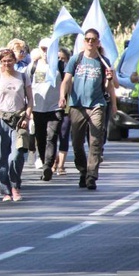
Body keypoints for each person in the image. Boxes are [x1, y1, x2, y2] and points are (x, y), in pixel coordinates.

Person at [58, 29, 117, 191]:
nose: (90, 42)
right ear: (84, 42)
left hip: (97, 105)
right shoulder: (76, 59)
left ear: (98, 42)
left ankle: (91, 176)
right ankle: (83, 170)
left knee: (95, 142)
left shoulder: (103, 61)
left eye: (93, 40)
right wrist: (62, 96)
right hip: (77, 106)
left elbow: (107, 87)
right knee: (77, 143)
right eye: (87, 39)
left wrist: (110, 82)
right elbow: (66, 81)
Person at [0, 48, 33, 202]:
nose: (7, 64)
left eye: (10, 61)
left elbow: (30, 100)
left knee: (16, 155)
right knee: (2, 157)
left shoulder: (23, 77)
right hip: (2, 119)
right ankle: (6, 191)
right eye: (4, 61)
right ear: (0, 62)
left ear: (14, 60)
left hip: (19, 119)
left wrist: (27, 115)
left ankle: (15, 186)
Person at [29, 40, 64, 181]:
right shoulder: (33, 66)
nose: (45, 52)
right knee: (41, 139)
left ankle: (48, 166)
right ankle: (45, 164)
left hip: (55, 108)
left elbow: (68, 83)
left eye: (48, 49)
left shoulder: (60, 66)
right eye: (43, 48)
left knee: (52, 137)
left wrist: (64, 98)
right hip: (38, 108)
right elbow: (25, 84)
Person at [53, 47, 72, 175]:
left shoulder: (71, 74)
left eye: (63, 59)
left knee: (64, 136)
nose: (61, 61)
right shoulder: (52, 74)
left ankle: (61, 165)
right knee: (52, 136)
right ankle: (53, 161)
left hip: (66, 109)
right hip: (52, 109)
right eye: (58, 59)